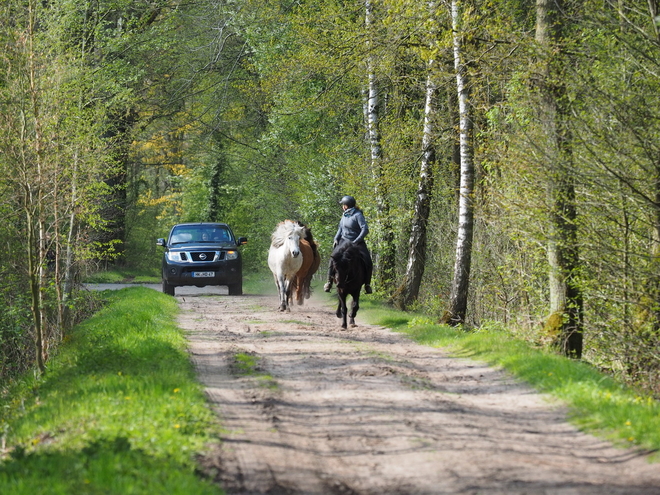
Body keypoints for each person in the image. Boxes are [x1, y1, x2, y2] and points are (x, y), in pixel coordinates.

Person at [324, 195, 373, 294]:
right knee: (333, 258)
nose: (342, 206)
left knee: (368, 260)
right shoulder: (344, 215)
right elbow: (340, 229)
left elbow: (365, 229)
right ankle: (329, 282)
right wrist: (336, 239)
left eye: (343, 204)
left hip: (357, 242)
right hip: (344, 241)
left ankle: (367, 284)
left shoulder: (358, 215)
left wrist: (357, 240)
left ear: (347, 205)